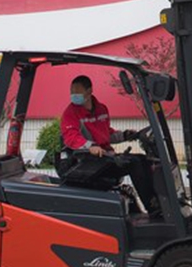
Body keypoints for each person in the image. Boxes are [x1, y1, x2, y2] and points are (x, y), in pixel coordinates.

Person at [59, 74, 160, 215]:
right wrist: (90, 147)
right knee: (134, 163)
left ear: (89, 91)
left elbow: (106, 134)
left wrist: (125, 135)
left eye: (77, 91)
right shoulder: (70, 113)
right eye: (72, 92)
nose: (73, 95)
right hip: (89, 161)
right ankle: (153, 208)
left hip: (104, 157)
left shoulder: (101, 109)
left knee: (143, 159)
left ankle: (158, 202)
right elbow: (71, 137)